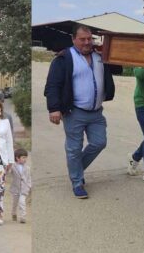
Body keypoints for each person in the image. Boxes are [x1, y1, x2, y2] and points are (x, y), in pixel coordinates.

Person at [43, 24, 116, 198]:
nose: (87, 42)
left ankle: (76, 170)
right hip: (74, 112)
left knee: (99, 143)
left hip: (96, 112)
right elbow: (53, 85)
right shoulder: (64, 58)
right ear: (74, 39)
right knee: (74, 149)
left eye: (89, 39)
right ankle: (77, 182)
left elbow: (117, 67)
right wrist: (54, 108)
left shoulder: (100, 57)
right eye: (82, 39)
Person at [8, 149, 32, 224]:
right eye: (23, 157)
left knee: (22, 202)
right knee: (15, 203)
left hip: (24, 189)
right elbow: (8, 172)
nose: (25, 159)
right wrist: (8, 166)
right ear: (17, 158)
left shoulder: (27, 168)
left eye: (26, 157)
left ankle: (23, 217)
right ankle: (13, 213)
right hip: (15, 188)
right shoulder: (13, 166)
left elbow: (29, 178)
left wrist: (29, 186)